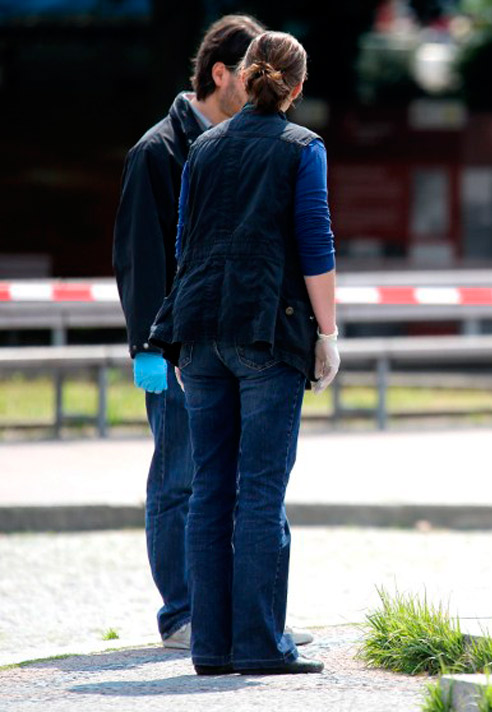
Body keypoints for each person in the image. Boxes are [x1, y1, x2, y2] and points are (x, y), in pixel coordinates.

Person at [149, 30, 340, 676]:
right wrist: (329, 333)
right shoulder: (302, 148)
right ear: (298, 86)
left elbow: (183, 244)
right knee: (260, 492)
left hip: (198, 332)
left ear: (248, 75)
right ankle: (261, 644)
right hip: (268, 330)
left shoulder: (202, 147)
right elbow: (316, 248)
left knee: (210, 490)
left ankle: (211, 644)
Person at [112, 14, 289, 650]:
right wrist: (149, 347)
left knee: (246, 483)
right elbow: (140, 257)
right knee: (181, 480)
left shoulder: (244, 144)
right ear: (222, 75)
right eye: (252, 72)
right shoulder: (157, 150)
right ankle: (182, 614)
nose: (265, 84)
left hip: (233, 347)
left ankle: (240, 617)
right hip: (178, 347)